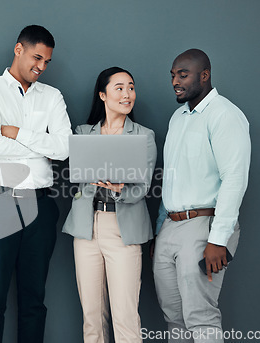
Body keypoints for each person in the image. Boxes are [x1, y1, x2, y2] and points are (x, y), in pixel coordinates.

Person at [0, 25, 72, 343]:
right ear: (19, 49)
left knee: (34, 301)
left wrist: (16, 133)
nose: (41, 67)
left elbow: (65, 149)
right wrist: (41, 146)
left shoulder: (52, 96)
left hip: (40, 205)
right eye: (36, 57)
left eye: (47, 61)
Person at [153, 49, 251, 342]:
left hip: (203, 227)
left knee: (201, 317)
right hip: (170, 227)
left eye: (183, 74)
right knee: (174, 320)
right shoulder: (178, 117)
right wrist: (159, 231)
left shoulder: (225, 115)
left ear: (204, 76)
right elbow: (171, 177)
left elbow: (234, 178)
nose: (175, 81)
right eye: (173, 75)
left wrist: (218, 239)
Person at [63, 67, 157, 343]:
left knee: (125, 316)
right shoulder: (83, 132)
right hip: (87, 227)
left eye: (131, 87)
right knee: (92, 317)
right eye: (119, 88)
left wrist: (120, 190)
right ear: (103, 95)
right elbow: (77, 180)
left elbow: (142, 188)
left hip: (123, 229)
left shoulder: (144, 135)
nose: (127, 94)